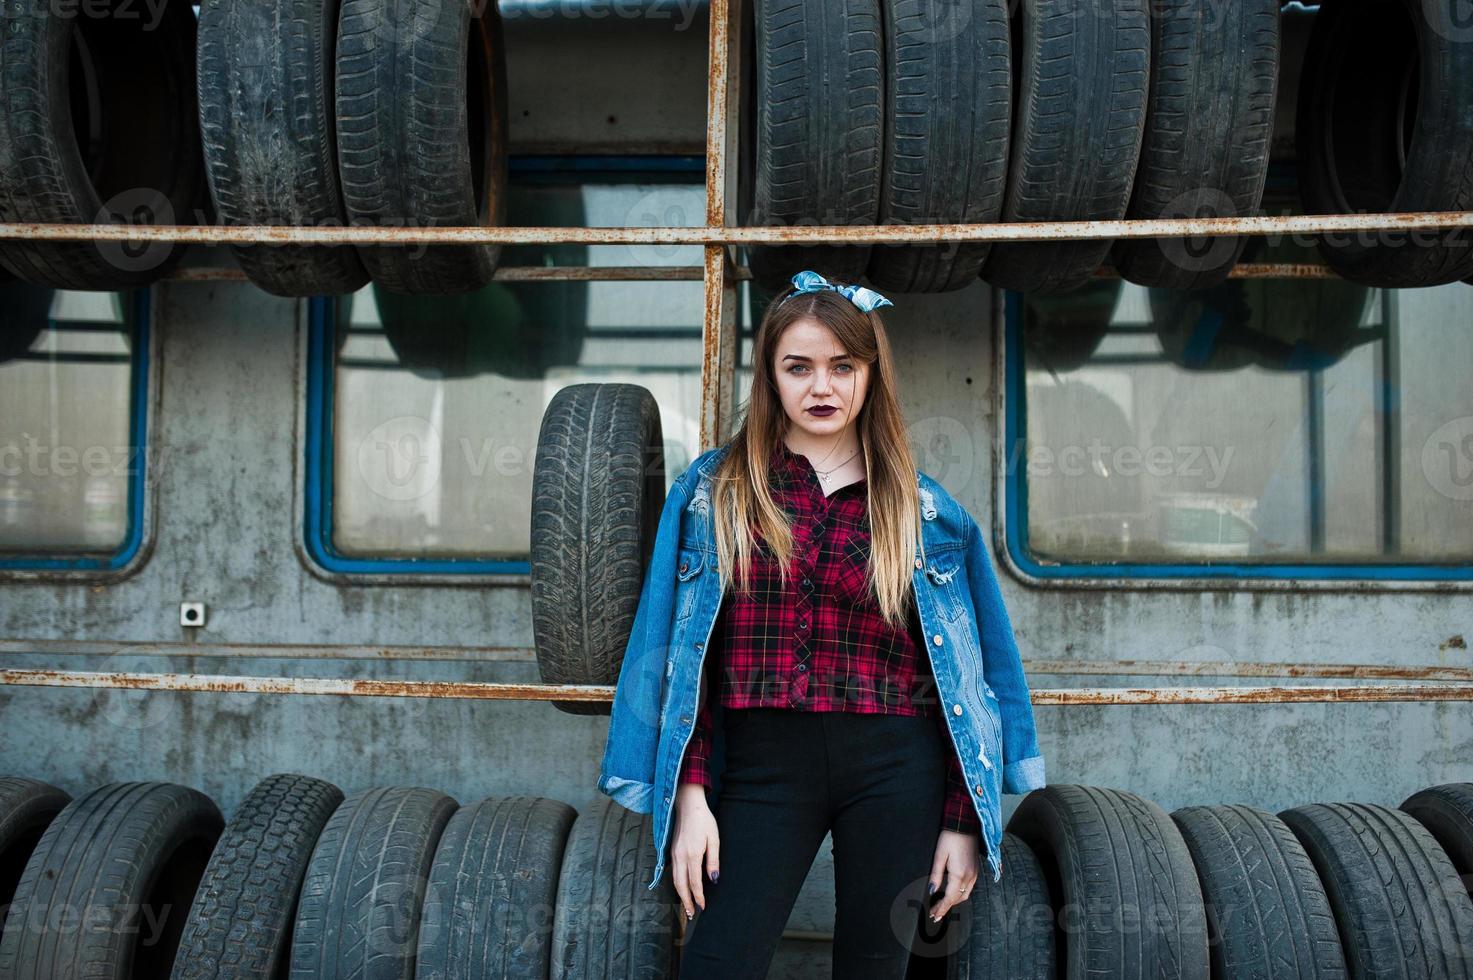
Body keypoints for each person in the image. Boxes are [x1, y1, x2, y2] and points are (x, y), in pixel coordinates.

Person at [597, 269, 1047, 979]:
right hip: (758, 766)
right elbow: (681, 657)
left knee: (876, 968)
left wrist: (962, 822)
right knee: (718, 962)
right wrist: (687, 797)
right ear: (770, 377)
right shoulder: (713, 494)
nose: (821, 387)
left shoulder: (922, 510)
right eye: (797, 367)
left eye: (842, 366)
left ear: (869, 375)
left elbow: (975, 676)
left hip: (898, 765)